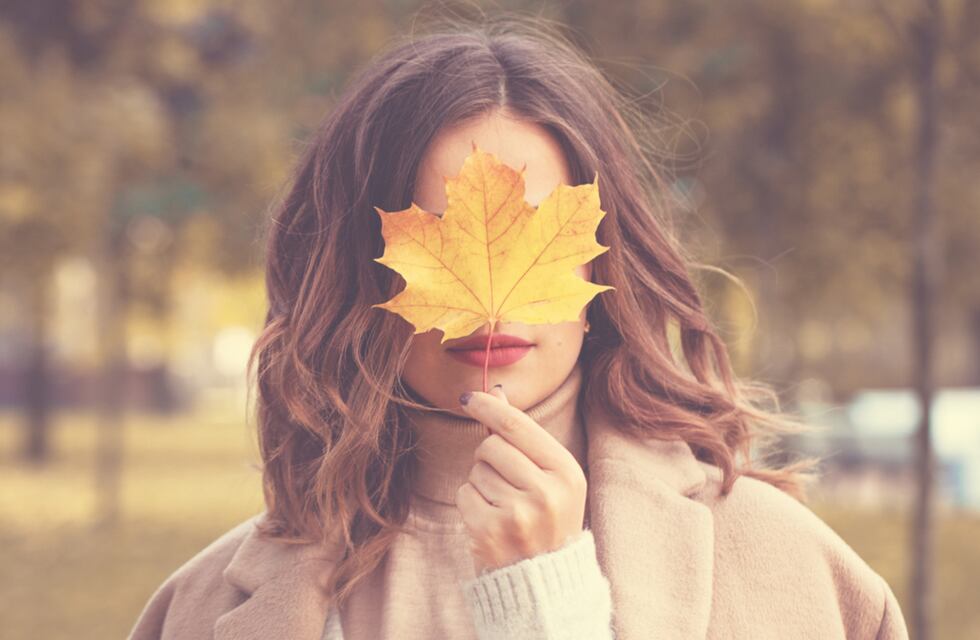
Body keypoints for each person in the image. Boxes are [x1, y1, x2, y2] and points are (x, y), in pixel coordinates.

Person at [127, 14, 909, 640]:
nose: (490, 297)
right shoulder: (194, 611)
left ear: (604, 267)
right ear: (357, 273)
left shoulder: (794, 575)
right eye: (432, 238)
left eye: (539, 239)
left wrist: (544, 607)